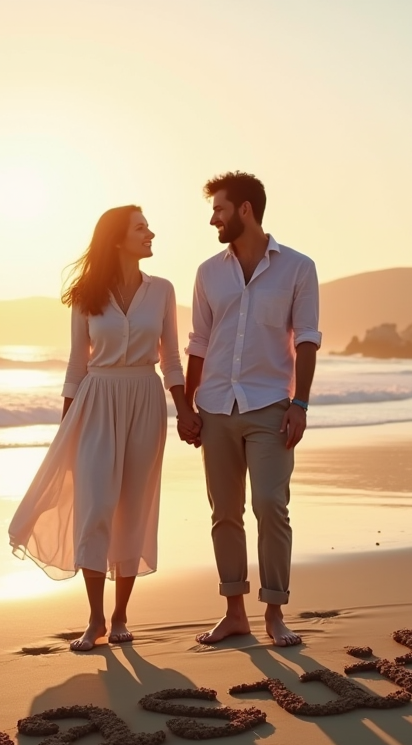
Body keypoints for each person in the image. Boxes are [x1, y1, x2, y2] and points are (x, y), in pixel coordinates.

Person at [9, 205, 190, 651]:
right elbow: (77, 363)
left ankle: (121, 615)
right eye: (141, 228)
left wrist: (184, 408)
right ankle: (94, 620)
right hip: (96, 400)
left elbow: (170, 358)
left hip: (145, 401)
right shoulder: (86, 293)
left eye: (148, 226)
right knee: (94, 509)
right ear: (116, 239)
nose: (150, 233)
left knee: (133, 506)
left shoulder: (162, 290)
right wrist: (67, 423)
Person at [177, 171, 321, 648]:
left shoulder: (299, 268)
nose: (212, 218)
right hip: (216, 405)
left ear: (244, 210)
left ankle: (275, 611)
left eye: (219, 208)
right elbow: (198, 342)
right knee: (225, 513)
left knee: (270, 505)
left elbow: (305, 340)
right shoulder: (207, 272)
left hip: (270, 405)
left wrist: (300, 402)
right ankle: (234, 612)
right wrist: (188, 405)